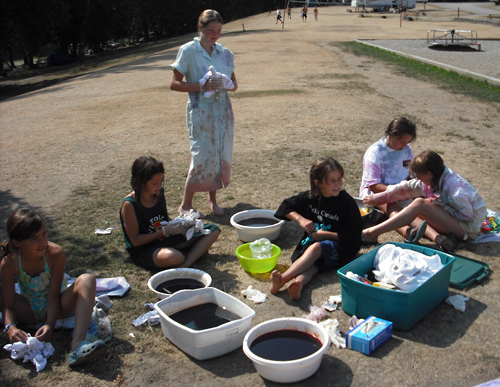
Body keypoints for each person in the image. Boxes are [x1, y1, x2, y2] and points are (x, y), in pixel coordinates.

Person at [0, 209, 106, 367]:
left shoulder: (56, 254)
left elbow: (53, 295)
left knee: (87, 280)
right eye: (34, 239)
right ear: (17, 242)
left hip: (60, 306)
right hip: (29, 311)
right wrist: (10, 326)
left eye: (44, 234)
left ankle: (77, 344)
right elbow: (8, 305)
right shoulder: (9, 263)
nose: (42, 242)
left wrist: (50, 324)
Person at [170, 9, 238, 217]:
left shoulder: (224, 53)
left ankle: (212, 200)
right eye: (211, 30)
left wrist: (227, 84)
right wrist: (201, 86)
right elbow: (174, 84)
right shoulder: (188, 51)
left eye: (218, 31)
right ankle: (186, 204)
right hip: (201, 113)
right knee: (201, 157)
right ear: (200, 28)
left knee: (218, 155)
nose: (215, 35)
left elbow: (235, 85)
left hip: (223, 112)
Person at [270, 158, 362, 300]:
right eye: (332, 180)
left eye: (339, 178)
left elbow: (354, 237)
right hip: (317, 243)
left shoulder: (346, 202)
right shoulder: (311, 198)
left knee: (316, 249)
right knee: (313, 265)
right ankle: (298, 284)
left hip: (344, 247)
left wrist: (326, 235)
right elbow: (285, 207)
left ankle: (282, 279)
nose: (338, 184)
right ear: (317, 183)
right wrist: (301, 219)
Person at [362, 150, 487, 252]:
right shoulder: (433, 178)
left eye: (418, 176)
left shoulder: (455, 189)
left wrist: (437, 205)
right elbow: (407, 187)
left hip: (467, 228)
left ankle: (372, 233)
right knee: (413, 206)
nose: (418, 179)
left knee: (420, 204)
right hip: (456, 222)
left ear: (429, 174)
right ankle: (436, 238)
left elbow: (467, 216)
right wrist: (379, 197)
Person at [120, 156, 220, 270]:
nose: (159, 186)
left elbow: (163, 218)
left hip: (164, 240)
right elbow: (136, 241)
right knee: (174, 257)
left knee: (212, 230)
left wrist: (180, 224)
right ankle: (190, 254)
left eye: (161, 181)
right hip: (144, 248)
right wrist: (163, 231)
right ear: (141, 181)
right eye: (154, 183)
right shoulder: (130, 205)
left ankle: (186, 263)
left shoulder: (158, 193)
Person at [359, 116, 427, 239]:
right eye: (402, 141)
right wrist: (399, 192)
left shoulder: (406, 149)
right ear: (392, 135)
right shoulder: (375, 153)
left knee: (418, 203)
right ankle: (407, 231)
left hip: (401, 190)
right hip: (376, 193)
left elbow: (409, 174)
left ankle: (433, 232)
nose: (405, 145)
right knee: (393, 204)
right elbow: (374, 186)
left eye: (408, 142)